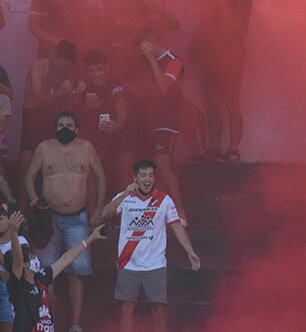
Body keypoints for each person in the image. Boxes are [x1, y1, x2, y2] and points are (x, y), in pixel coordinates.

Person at [101, 160, 201, 332]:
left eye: (150, 175)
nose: (147, 179)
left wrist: (190, 251)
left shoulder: (164, 200)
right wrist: (124, 194)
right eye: (143, 175)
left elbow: (176, 227)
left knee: (158, 308)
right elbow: (105, 214)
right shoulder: (125, 198)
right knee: (127, 308)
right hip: (128, 263)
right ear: (135, 178)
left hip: (155, 264)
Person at [24, 111, 107, 332]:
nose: (65, 127)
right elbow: (29, 176)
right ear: (55, 128)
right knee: (45, 271)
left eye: (69, 124)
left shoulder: (87, 147)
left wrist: (99, 207)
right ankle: (46, 321)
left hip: (77, 218)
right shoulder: (43, 148)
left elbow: (100, 176)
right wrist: (32, 197)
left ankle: (76, 323)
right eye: (61, 124)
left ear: (77, 128)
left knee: (76, 272)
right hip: (48, 218)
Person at [185, 0, 252, 164]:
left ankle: (233, 149)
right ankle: (214, 148)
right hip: (211, 56)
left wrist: (220, 0)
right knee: (212, 104)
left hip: (232, 57)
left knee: (231, 102)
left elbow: (232, 26)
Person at [125, 28, 188, 225]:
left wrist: (152, 59)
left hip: (167, 121)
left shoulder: (173, 60)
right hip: (150, 121)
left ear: (151, 42)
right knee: (151, 168)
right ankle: (161, 212)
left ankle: (180, 212)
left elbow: (164, 88)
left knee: (162, 163)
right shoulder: (146, 64)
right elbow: (145, 92)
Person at [19, 42, 83, 206]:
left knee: (55, 165)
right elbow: (38, 99)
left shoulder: (69, 74)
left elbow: (66, 107)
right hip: (34, 118)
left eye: (67, 66)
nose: (63, 69)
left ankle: (53, 213)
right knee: (26, 164)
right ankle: (21, 213)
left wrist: (77, 94)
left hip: (54, 119)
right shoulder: (38, 67)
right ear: (54, 55)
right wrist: (61, 91)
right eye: (62, 64)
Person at [100, 0, 179, 63]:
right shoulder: (110, 6)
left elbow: (174, 25)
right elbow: (109, 37)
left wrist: (155, 8)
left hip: (152, 62)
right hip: (129, 64)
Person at [78, 50, 131, 191]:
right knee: (90, 168)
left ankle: (124, 208)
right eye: (91, 70)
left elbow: (122, 110)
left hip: (119, 134)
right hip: (96, 137)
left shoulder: (117, 84)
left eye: (99, 69)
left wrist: (117, 125)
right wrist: (87, 107)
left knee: (125, 163)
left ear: (107, 68)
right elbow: (76, 116)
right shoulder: (83, 88)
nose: (96, 74)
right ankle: (94, 211)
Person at [28, 0, 101, 58]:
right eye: (48, 0)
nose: (52, 2)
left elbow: (87, 29)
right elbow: (33, 26)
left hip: (71, 53)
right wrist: (54, 40)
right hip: (47, 55)